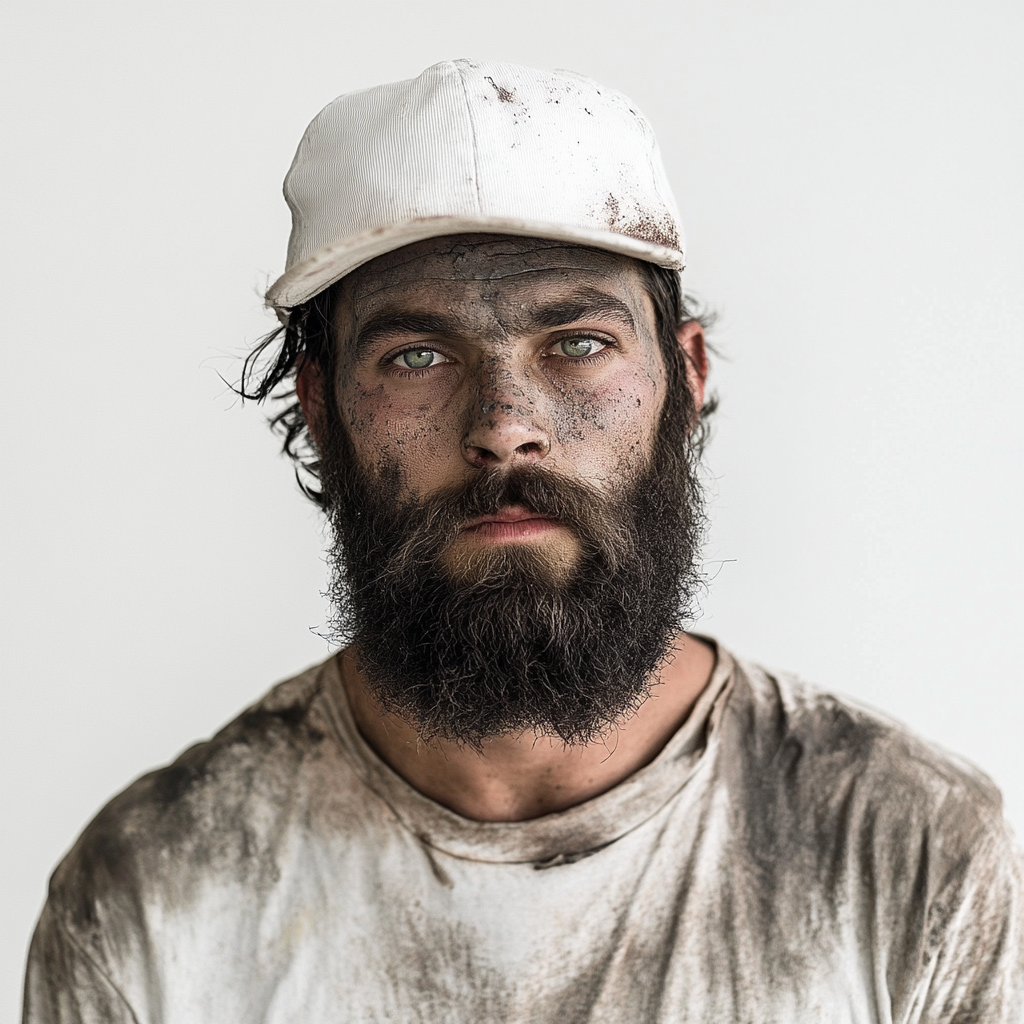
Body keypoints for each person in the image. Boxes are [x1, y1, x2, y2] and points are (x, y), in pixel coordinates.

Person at [24, 58, 1023, 1023]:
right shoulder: (154, 893)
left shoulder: (910, 852)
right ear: (321, 405)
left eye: (577, 344)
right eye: (416, 354)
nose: (503, 423)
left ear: (685, 378)